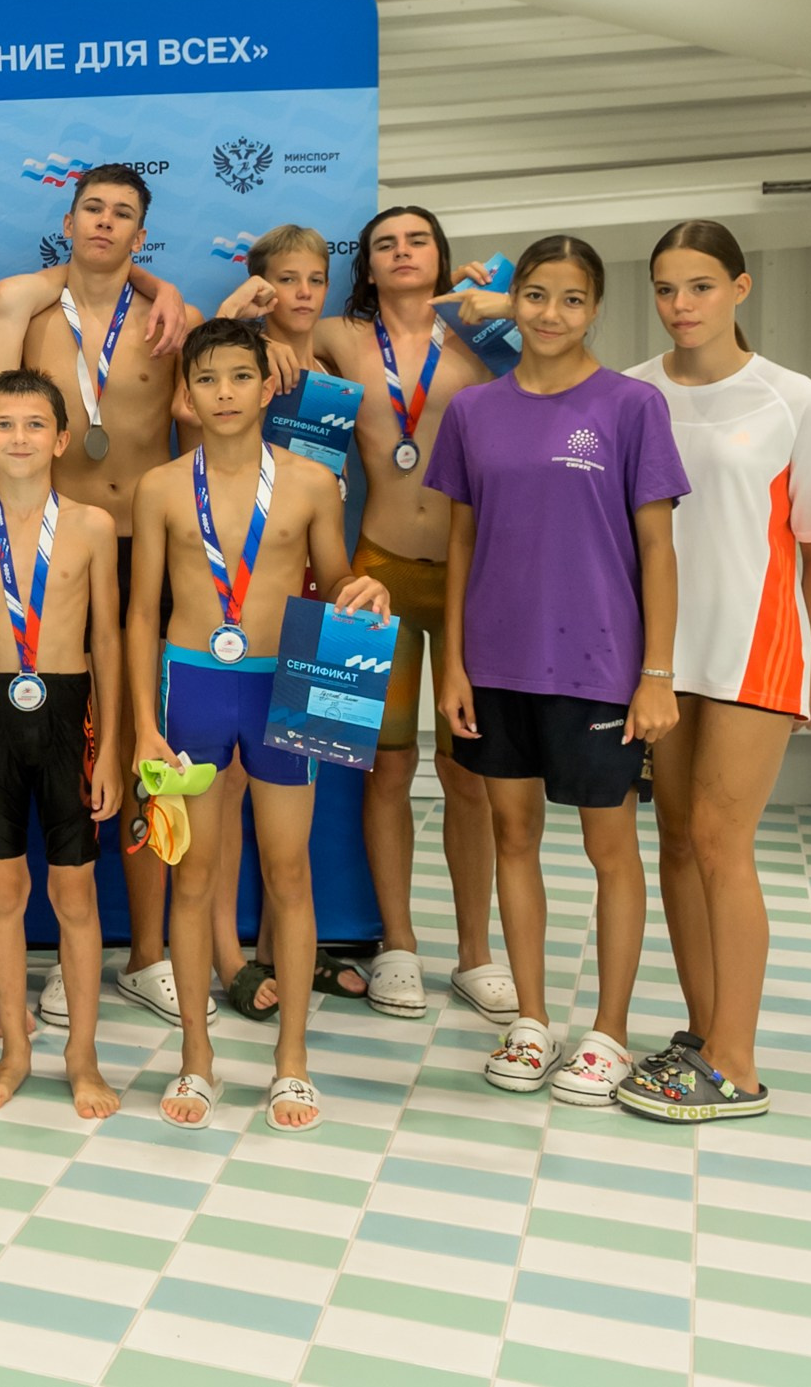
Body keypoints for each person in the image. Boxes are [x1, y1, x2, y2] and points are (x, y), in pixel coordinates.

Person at [430, 237, 686, 1101]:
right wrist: (454, 662)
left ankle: (608, 1031)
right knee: (512, 837)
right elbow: (461, 540)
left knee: (608, 847)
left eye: (569, 299)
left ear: (594, 308)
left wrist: (655, 671)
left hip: (597, 665)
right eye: (534, 295)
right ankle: (532, 1017)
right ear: (516, 301)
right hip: (496, 663)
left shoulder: (629, 405)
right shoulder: (473, 410)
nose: (548, 314)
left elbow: (656, 545)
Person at [129, 320, 391, 1132]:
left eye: (240, 377)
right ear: (187, 391)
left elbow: (336, 572)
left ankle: (291, 1060)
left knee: (288, 872)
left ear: (268, 385)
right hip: (193, 686)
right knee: (194, 875)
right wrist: (142, 722)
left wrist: (364, 589)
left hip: (287, 683)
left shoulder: (313, 480)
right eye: (205, 379)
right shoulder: (162, 486)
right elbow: (140, 614)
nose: (224, 394)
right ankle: (196, 1057)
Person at [617, 220, 811, 1122]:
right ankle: (706, 1032)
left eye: (700, 287)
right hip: (665, 656)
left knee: (719, 839)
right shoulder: (630, 393)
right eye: (666, 289)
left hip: (757, 647)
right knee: (675, 839)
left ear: (740, 290)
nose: (680, 306)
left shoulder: (796, 400)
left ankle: (738, 1066)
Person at [306, 205, 511, 1025]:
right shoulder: (337, 338)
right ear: (368, 263)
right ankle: (396, 943)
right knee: (383, 768)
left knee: (470, 773)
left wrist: (510, 308)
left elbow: (563, 364)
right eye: (384, 243)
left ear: (439, 256)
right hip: (373, 576)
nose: (400, 252)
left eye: (415, 240)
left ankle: (474, 952)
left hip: (473, 574)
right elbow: (250, 351)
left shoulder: (482, 336)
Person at [10, 166, 195, 1031]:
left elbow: (197, 433)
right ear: (68, 217)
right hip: (58, 557)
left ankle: (149, 954)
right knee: (67, 753)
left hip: (150, 547)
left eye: (124, 213)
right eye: (94, 208)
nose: (106, 222)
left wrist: (168, 291)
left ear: (139, 234)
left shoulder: (168, 320)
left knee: (146, 748)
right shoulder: (30, 316)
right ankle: (63, 952)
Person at [0, 367, 121, 1115]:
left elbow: (106, 637)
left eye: (34, 424)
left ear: (62, 437)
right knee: (2, 888)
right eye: (3, 424)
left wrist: (108, 746)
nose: (18, 437)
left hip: (68, 709)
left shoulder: (92, 525)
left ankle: (82, 1055)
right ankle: (14, 1046)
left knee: (73, 891)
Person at [205, 224, 372, 1017]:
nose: (302, 293)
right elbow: (187, 409)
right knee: (229, 782)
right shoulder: (234, 364)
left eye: (315, 279)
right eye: (285, 280)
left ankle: (283, 948)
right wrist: (242, 320)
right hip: (230, 601)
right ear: (260, 284)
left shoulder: (334, 367)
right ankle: (228, 957)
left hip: (314, 594)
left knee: (293, 775)